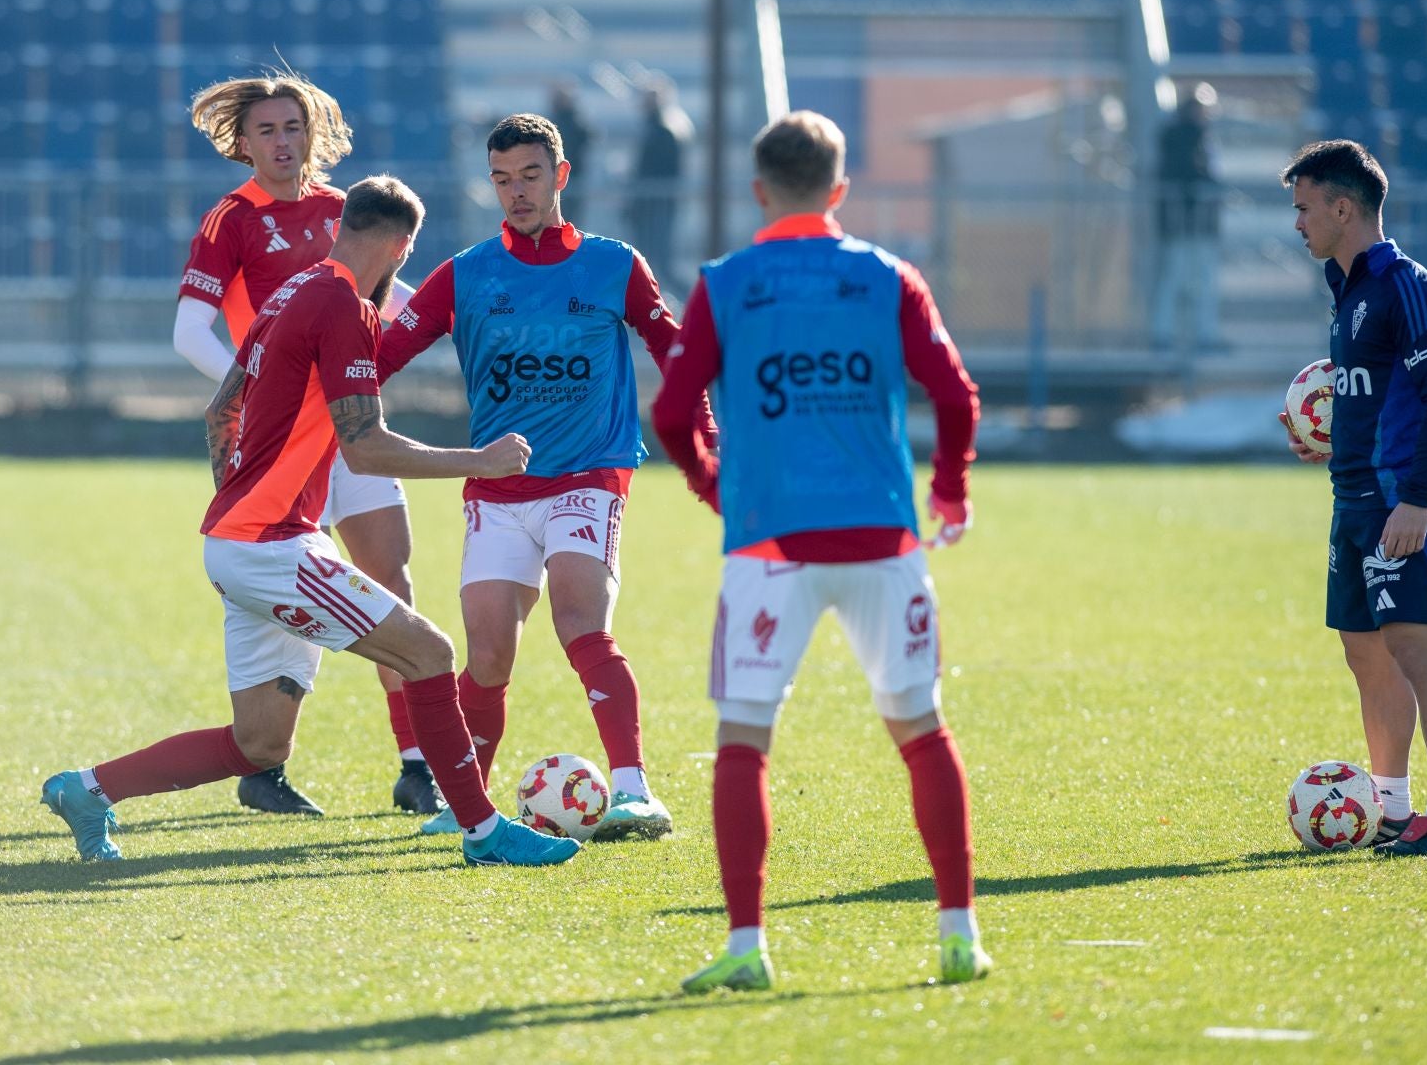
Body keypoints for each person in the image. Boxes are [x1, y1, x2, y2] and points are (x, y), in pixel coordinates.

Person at [40, 176, 580, 869]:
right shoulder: (344, 307)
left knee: (258, 745)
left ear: (339, 228)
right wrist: (483, 461)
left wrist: (242, 498)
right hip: (269, 547)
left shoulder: (290, 293)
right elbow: (367, 444)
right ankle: (483, 833)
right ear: (402, 247)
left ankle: (87, 791)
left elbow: (219, 411)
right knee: (432, 655)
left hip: (244, 539)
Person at [650, 110, 990, 992]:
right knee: (921, 731)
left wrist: (708, 483)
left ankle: (746, 947)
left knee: (743, 742)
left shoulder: (727, 282)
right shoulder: (887, 276)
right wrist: (949, 489)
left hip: (769, 547)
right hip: (883, 538)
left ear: (760, 191)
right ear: (840, 191)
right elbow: (954, 395)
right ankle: (959, 935)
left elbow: (670, 411)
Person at [377, 113, 706, 840]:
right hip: (497, 488)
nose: (515, 192)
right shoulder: (465, 274)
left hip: (588, 477)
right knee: (488, 655)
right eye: (501, 179)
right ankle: (474, 810)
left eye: (529, 176)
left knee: (579, 619)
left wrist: (705, 441)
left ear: (561, 175)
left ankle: (633, 791)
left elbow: (676, 350)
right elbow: (377, 360)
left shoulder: (614, 264)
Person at [172, 73, 438, 818]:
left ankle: (416, 765)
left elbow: (397, 302)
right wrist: (255, 388)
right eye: (267, 131)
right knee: (278, 594)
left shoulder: (343, 212)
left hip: (345, 428)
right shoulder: (232, 219)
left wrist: (469, 322)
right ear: (243, 142)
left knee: (391, 575)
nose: (282, 142)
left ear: (312, 132)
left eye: (293, 127)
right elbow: (188, 329)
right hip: (279, 447)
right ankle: (264, 761)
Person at [1277, 140, 1427, 856]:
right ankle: (1391, 810)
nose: (1297, 223)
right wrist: (1319, 440)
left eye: (1303, 208)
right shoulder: (1349, 292)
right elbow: (1369, 396)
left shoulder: (1407, 285)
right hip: (1353, 500)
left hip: (1400, 502)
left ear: (1342, 206)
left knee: (1419, 650)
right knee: (1366, 653)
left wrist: (1416, 500)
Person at [1150, 84, 1221, 352]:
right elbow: (1188, 175)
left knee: (1200, 279)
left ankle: (1202, 335)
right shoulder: (1182, 138)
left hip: (1197, 223)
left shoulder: (1200, 137)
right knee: (1175, 277)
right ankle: (1165, 335)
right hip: (1182, 222)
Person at [623, 81, 692, 281]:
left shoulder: (664, 129)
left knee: (656, 263)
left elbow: (659, 168)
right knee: (650, 262)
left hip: (656, 204)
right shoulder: (658, 126)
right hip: (650, 203)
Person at [549, 83, 594, 224]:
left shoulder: (575, 123)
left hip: (570, 178)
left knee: (569, 221)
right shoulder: (553, 121)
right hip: (556, 178)